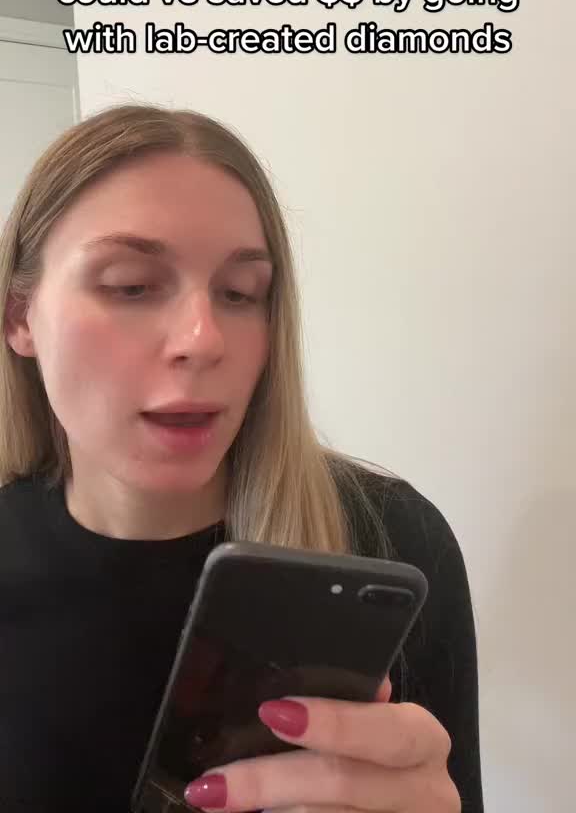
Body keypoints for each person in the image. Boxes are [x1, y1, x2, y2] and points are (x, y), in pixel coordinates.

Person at [0, 104, 483, 813]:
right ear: (19, 316)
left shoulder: (394, 539)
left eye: (239, 294)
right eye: (131, 284)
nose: (204, 339)